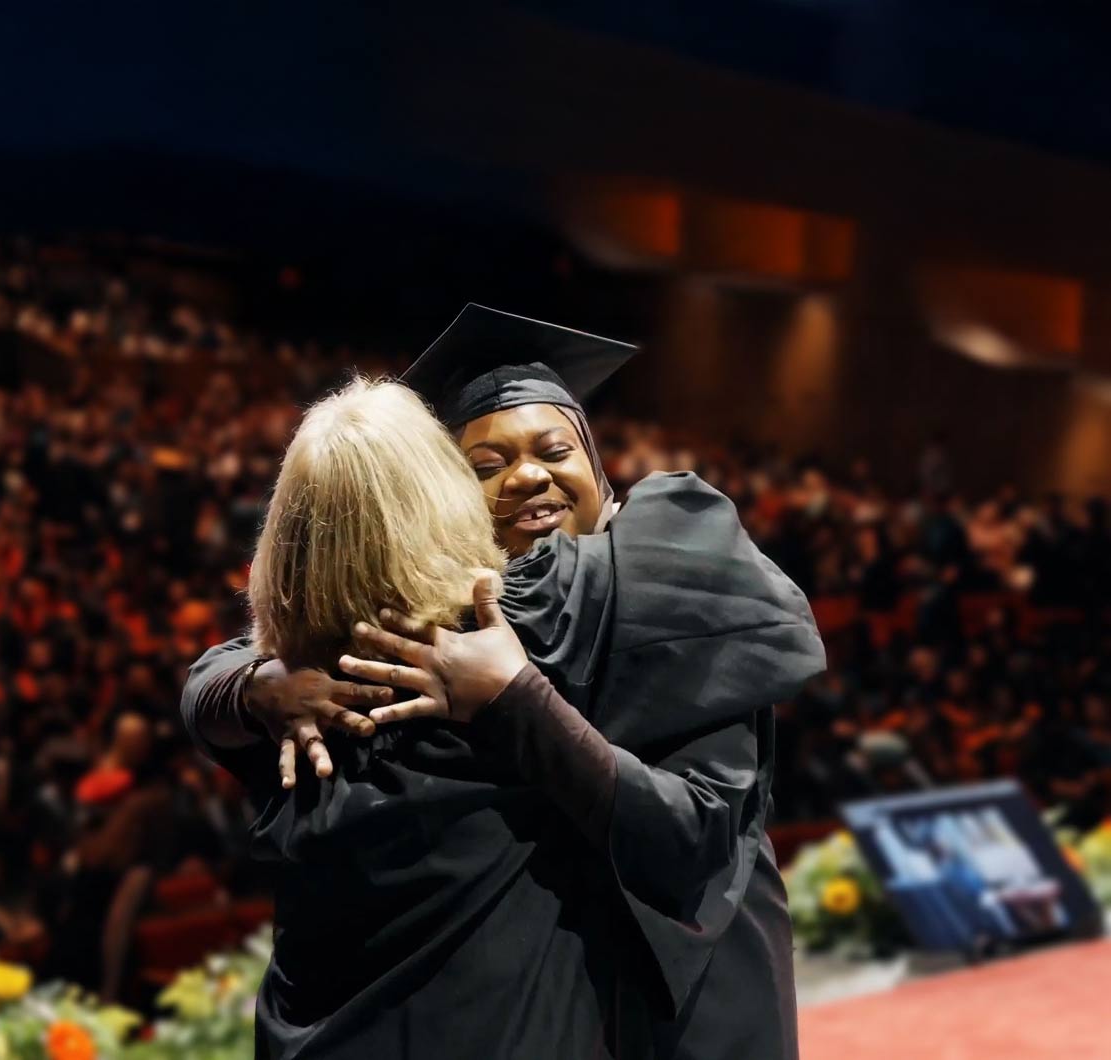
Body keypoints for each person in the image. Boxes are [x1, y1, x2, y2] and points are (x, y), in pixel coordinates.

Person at [182, 308, 825, 1057]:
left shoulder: (669, 588)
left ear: (595, 461)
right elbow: (234, 663)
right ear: (442, 502)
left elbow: (697, 840)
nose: (527, 476)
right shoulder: (413, 637)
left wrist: (517, 698)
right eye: (484, 467)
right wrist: (259, 682)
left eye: (554, 449)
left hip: (695, 991)